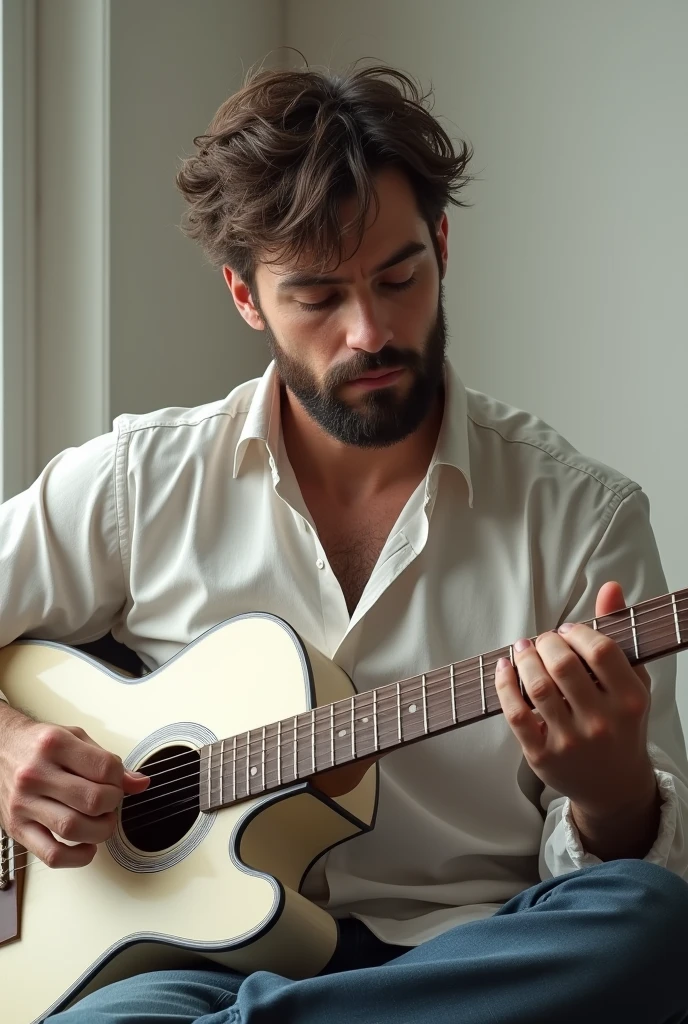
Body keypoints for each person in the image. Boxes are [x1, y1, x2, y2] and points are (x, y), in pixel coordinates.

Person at [1, 61, 688, 1024]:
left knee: (653, 919)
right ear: (247, 297)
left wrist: (611, 795)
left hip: (463, 960)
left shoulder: (584, 516)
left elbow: (631, 868)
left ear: (441, 246)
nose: (370, 331)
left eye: (398, 277)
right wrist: (9, 745)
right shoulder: (140, 479)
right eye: (318, 298)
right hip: (185, 968)